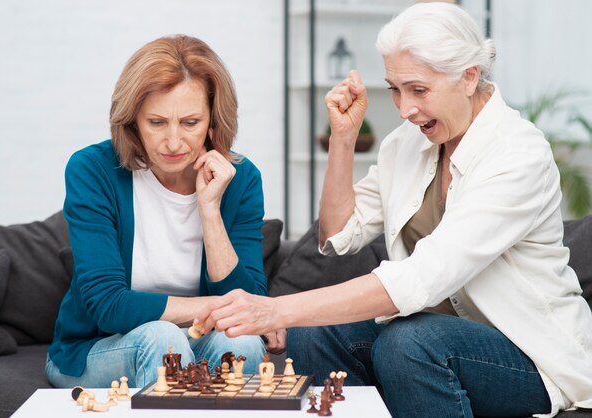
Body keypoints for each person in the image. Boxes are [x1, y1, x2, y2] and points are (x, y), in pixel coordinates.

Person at [194, 3, 592, 417]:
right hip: (433, 336)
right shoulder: (407, 143)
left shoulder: (517, 154)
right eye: (395, 89)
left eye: (418, 90)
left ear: (469, 76)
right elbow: (337, 236)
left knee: (411, 341)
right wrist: (343, 139)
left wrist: (275, 309)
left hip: (528, 356)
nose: (404, 109)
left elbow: (422, 278)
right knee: (312, 334)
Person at [46, 34, 283, 389]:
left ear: (212, 122)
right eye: (156, 123)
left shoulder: (241, 178)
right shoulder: (92, 170)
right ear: (133, 122)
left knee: (245, 342)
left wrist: (209, 209)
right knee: (162, 339)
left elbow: (247, 304)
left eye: (190, 123)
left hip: (199, 339)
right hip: (101, 348)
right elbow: (108, 305)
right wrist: (223, 306)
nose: (173, 143)